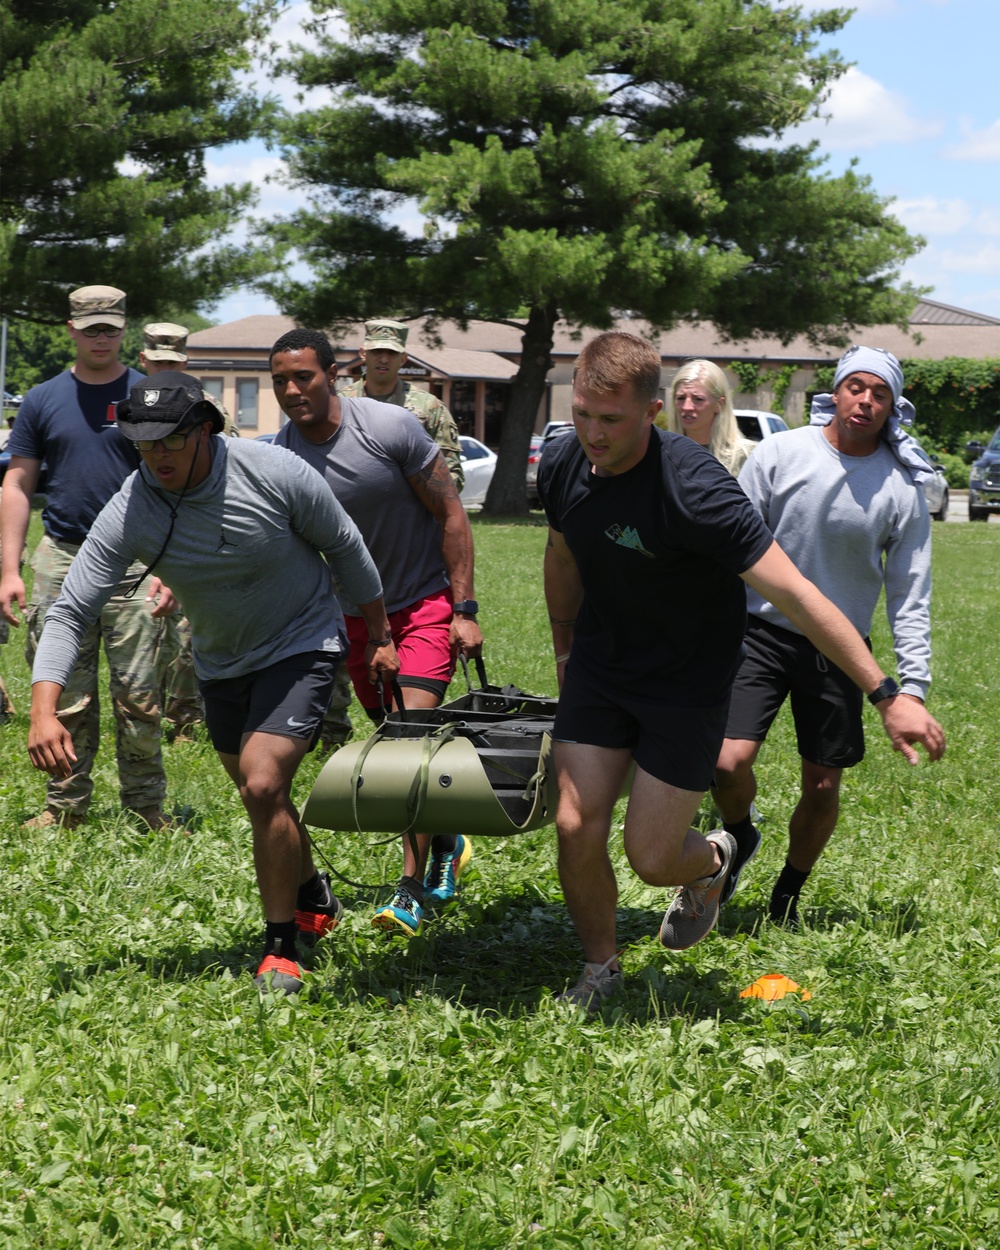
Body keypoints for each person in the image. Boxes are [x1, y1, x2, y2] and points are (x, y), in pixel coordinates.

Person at [538, 332, 945, 1011]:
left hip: (687, 681)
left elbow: (798, 595)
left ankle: (714, 861)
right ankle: (599, 966)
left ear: (654, 410)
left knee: (651, 856)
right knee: (576, 823)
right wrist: (564, 650)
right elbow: (561, 555)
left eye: (610, 419)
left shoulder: (697, 490)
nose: (593, 434)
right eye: (582, 413)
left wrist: (885, 691)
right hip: (603, 665)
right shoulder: (561, 461)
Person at [27, 372, 399, 996]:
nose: (157, 456)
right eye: (142, 445)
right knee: (263, 799)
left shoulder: (274, 472)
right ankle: (312, 892)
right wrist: (44, 710)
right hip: (223, 661)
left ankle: (282, 945)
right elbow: (71, 608)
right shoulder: (133, 506)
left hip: (302, 642)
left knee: (261, 781)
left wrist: (381, 634)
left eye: (169, 440)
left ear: (204, 429)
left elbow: (346, 545)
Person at [711, 345, 945, 927]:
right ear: (835, 393)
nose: (866, 401)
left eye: (880, 393)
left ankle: (788, 893)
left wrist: (910, 686)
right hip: (760, 631)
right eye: (856, 388)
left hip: (839, 650)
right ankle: (741, 835)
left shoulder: (901, 486)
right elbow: (732, 545)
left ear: (894, 406)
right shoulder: (781, 453)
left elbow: (911, 591)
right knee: (725, 764)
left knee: (820, 785)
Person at [269, 328, 483, 938]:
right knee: (392, 736)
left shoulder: (389, 428)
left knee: (404, 746)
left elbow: (450, 512)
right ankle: (446, 839)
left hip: (420, 606)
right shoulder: (280, 457)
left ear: (333, 373)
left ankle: (409, 891)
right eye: (280, 379)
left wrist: (463, 608)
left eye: (303, 376)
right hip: (351, 626)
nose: (291, 390)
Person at [0, 285, 174, 831]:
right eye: (91, 327)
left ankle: (146, 804)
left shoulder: (147, 396)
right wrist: (9, 568)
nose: (102, 337)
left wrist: (172, 566)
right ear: (71, 330)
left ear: (125, 330)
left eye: (111, 327)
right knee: (65, 692)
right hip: (62, 558)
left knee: (140, 694)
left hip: (136, 560)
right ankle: (65, 804)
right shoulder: (42, 398)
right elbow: (18, 482)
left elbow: (174, 484)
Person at [339, 319, 464, 491]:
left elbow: (452, 476)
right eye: (377, 351)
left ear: (403, 359)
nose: (384, 359)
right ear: (363, 353)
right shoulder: (340, 404)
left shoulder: (429, 408)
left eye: (391, 353)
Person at [660, 359, 755, 476]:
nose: (687, 407)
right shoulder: (661, 455)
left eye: (698, 399)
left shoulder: (745, 457)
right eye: (681, 398)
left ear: (719, 404)